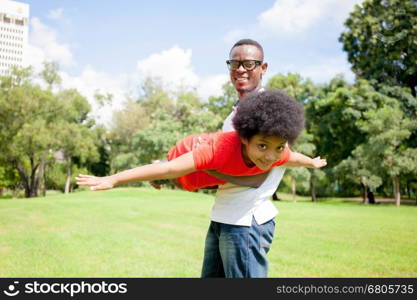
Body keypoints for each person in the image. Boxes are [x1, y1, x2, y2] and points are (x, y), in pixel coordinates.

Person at [76, 89, 326, 192]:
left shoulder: (278, 152)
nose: (270, 156)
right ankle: (161, 176)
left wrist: (312, 163)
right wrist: (115, 178)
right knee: (173, 170)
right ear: (244, 138)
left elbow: (293, 158)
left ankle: (169, 180)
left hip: (203, 176)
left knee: (186, 182)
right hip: (189, 150)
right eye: (262, 146)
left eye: (277, 147)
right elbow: (169, 167)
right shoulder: (219, 150)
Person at [199, 39, 307, 278]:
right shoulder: (233, 115)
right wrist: (177, 175)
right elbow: (224, 164)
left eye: (249, 64)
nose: (240, 69)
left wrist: (204, 169)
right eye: (234, 63)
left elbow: (257, 176)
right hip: (223, 216)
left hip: (246, 223)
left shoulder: (272, 111)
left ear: (263, 68)